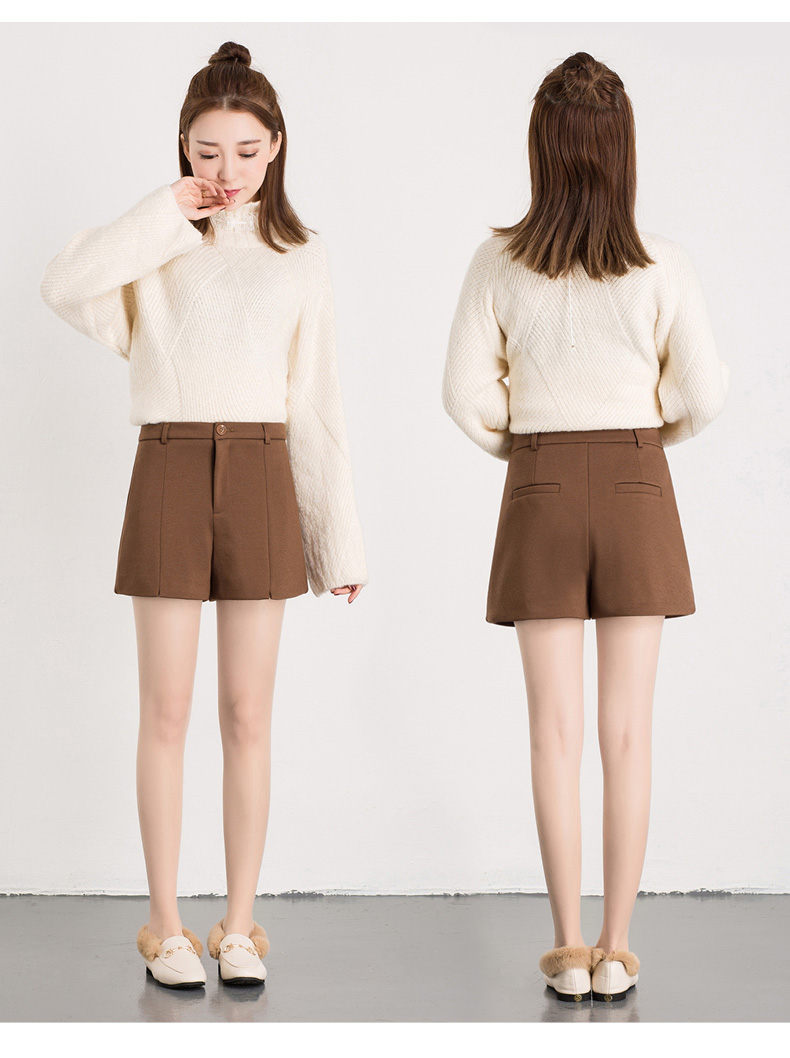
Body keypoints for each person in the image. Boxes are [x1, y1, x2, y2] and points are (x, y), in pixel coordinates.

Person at [40, 41, 368, 990]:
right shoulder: (159, 247)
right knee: (168, 707)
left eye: (246, 150)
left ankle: (240, 924)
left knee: (247, 712)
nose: (227, 169)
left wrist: (337, 540)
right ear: (183, 147)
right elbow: (63, 285)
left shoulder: (302, 257)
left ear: (277, 147)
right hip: (170, 465)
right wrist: (164, 213)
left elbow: (315, 402)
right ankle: (165, 925)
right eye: (207, 149)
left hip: (264, 470)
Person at [442, 51, 729, 1003]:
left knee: (552, 733)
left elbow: (464, 395)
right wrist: (645, 438)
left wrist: (529, 451)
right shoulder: (660, 263)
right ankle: (617, 946)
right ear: (623, 149)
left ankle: (566, 947)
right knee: (628, 733)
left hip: (541, 484)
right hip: (640, 481)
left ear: (540, 148)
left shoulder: (500, 262)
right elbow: (704, 393)